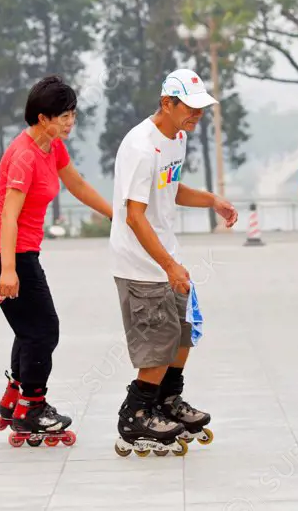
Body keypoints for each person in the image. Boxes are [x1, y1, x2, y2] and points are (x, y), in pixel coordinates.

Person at [110, 68, 238, 457]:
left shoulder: (176, 139)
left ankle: (166, 400)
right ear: (167, 103)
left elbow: (171, 187)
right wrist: (167, 265)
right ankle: (135, 414)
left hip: (167, 257)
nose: (197, 116)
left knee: (183, 333)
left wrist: (212, 199)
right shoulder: (140, 146)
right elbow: (134, 215)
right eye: (191, 108)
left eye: (202, 109)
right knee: (157, 341)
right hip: (140, 263)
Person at [0, 75, 112, 443]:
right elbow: (9, 214)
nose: (70, 122)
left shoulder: (51, 147)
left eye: (72, 114)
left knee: (30, 330)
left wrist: (117, 215)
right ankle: (31, 409)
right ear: (42, 117)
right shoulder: (23, 155)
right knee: (44, 330)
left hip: (18, 251)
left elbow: (78, 185)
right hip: (8, 253)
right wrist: (8, 269)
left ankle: (15, 400)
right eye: (63, 116)